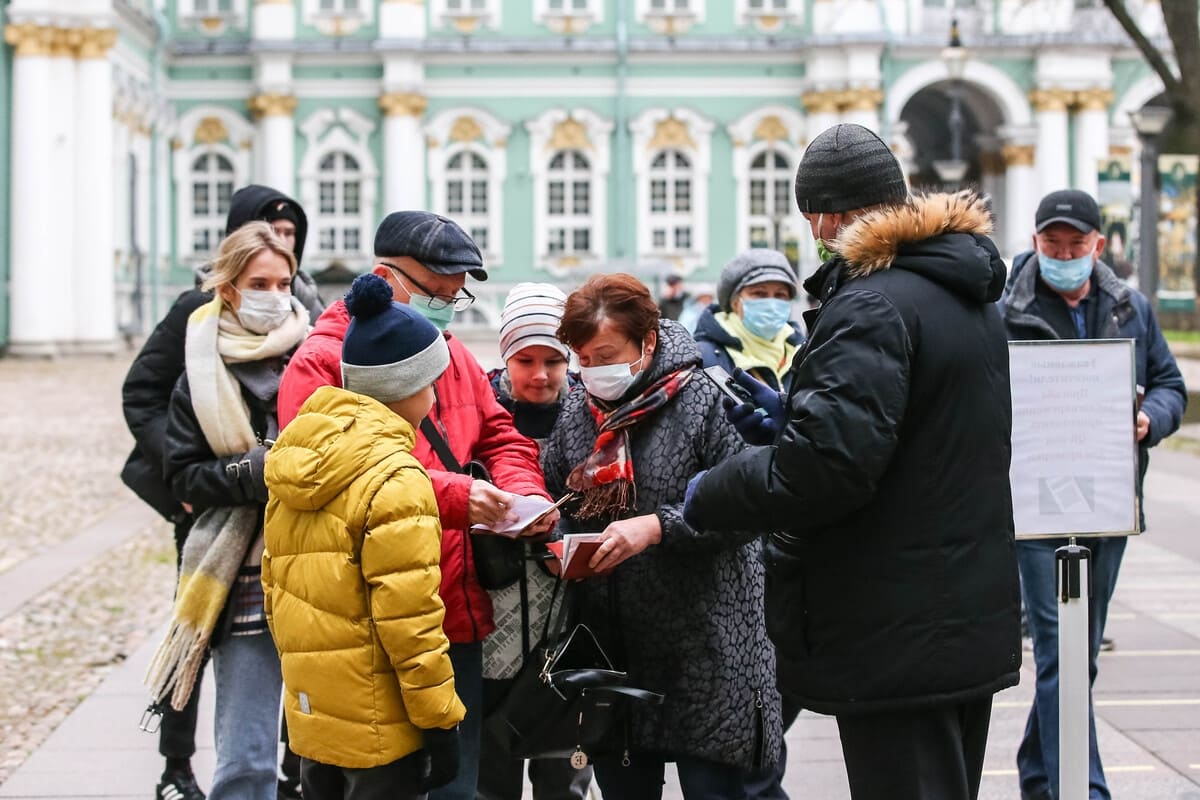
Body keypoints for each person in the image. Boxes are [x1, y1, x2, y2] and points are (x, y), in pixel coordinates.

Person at [683, 123, 1021, 800]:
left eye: (813, 219)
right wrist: (799, 414)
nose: (814, 235)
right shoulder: (964, 295)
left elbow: (823, 471)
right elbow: (925, 434)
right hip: (960, 608)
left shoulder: (871, 304)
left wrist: (711, 489)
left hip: (894, 619)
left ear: (832, 215)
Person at [276, 210, 556, 800]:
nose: (450, 307)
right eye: (438, 293)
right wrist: (462, 497)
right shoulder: (323, 360)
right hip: (364, 628)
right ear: (389, 277)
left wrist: (522, 495)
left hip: (452, 609)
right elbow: (331, 485)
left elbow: (500, 434)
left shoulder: (443, 349)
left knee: (458, 781)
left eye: (458, 296)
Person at [539, 273, 784, 800]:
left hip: (709, 643)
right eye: (582, 358)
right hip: (615, 649)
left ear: (647, 342)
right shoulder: (577, 410)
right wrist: (556, 539)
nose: (593, 370)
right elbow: (557, 491)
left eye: (606, 353)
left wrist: (657, 527)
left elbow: (748, 506)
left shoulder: (705, 398)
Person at [121, 183, 321, 800]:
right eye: (259, 284)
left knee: (328, 752)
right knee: (247, 755)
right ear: (229, 285)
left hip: (322, 571)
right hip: (239, 572)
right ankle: (176, 768)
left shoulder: (318, 353)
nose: (274, 296)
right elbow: (179, 463)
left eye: (282, 282)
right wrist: (251, 475)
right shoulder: (197, 356)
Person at [999, 189, 1187, 800]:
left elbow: (1169, 385)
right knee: (1059, 650)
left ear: (1098, 246)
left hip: (1108, 498)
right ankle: (1086, 789)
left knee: (1081, 653)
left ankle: (1036, 770)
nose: (1063, 255)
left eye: (1075, 245)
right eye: (1052, 245)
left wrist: (1148, 421)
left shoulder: (1132, 307)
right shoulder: (1006, 311)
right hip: (1037, 501)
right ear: (1035, 244)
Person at [263, 273, 465, 800]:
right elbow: (411, 620)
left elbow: (275, 589)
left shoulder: (300, 455)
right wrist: (441, 719)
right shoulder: (396, 477)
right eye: (432, 381)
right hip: (384, 729)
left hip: (316, 719)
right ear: (410, 388)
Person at [478, 282, 591, 800]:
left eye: (554, 359)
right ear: (506, 356)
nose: (541, 374)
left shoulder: (590, 417)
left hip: (567, 627)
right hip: (490, 625)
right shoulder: (477, 414)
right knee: (490, 772)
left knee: (561, 776)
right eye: (526, 359)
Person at [694, 249, 804, 392]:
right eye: (759, 293)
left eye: (780, 295)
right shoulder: (704, 357)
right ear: (735, 302)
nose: (771, 303)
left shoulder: (803, 353)